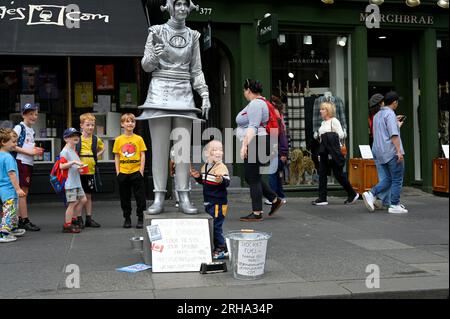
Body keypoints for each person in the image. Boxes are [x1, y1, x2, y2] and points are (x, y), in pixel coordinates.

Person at [137, 0, 211, 215]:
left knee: (182, 150)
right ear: (170, 6)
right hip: (160, 91)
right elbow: (147, 66)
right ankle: (159, 196)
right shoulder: (156, 31)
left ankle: (184, 194)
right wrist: (154, 55)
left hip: (184, 93)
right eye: (178, 4)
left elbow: (196, 70)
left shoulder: (194, 36)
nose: (182, 9)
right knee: (159, 149)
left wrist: (204, 94)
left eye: (186, 5)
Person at [237, 79, 284, 222]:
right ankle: (274, 199)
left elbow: (253, 127)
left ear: (248, 90)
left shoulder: (256, 104)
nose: (244, 94)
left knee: (252, 177)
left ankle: (257, 212)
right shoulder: (261, 102)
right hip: (260, 141)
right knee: (251, 176)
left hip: (257, 141)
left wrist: (244, 145)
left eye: (245, 91)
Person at [363, 92, 408, 214]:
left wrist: (396, 124)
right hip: (390, 151)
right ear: (394, 103)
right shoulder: (390, 114)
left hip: (379, 151)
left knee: (388, 178)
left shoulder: (377, 115)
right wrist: (399, 151)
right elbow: (393, 135)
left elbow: (382, 132)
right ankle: (394, 204)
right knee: (397, 178)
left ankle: (372, 194)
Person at [312, 101, 359, 206]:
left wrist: (330, 136)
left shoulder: (334, 121)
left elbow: (341, 135)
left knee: (338, 175)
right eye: (321, 109)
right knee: (322, 174)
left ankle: (352, 193)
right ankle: (322, 198)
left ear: (328, 111)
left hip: (333, 152)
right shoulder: (323, 123)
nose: (320, 111)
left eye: (323, 109)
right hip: (324, 152)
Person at [191, 140, 230, 259]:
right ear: (207, 153)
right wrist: (198, 177)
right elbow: (205, 181)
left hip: (218, 202)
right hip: (209, 200)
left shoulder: (221, 167)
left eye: (220, 149)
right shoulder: (206, 166)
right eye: (214, 150)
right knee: (212, 224)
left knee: (216, 226)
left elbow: (226, 181)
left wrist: (222, 180)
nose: (218, 152)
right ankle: (218, 246)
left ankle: (222, 248)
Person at [113, 114, 147, 229]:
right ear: (122, 124)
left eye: (132, 121)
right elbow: (117, 156)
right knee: (124, 197)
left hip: (136, 172)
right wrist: (118, 171)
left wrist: (141, 170)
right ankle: (127, 218)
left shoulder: (139, 139)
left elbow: (142, 154)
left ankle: (140, 218)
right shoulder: (118, 140)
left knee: (140, 197)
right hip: (123, 173)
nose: (130, 124)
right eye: (127, 121)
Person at [14, 103, 43, 232]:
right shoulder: (19, 127)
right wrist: (30, 152)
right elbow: (11, 144)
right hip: (21, 161)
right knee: (22, 192)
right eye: (30, 114)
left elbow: (26, 146)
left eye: (35, 114)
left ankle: (19, 219)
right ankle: (24, 220)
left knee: (24, 192)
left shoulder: (31, 130)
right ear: (23, 114)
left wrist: (35, 150)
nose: (33, 116)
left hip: (28, 162)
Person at [75, 113, 104, 228]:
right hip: (79, 171)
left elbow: (103, 148)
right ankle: (78, 218)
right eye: (87, 125)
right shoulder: (78, 139)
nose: (90, 127)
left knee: (88, 195)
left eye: (92, 125)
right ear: (81, 125)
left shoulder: (96, 139)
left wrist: (96, 155)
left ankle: (88, 218)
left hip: (90, 171)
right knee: (79, 196)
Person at [59, 128, 88, 234]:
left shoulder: (73, 150)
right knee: (72, 203)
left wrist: (80, 168)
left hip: (76, 181)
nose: (76, 137)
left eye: (77, 135)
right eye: (72, 136)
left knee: (83, 199)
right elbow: (61, 166)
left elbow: (74, 165)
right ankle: (67, 224)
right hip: (70, 182)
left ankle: (74, 219)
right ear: (66, 139)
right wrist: (74, 162)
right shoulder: (65, 151)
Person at [0, 128, 26, 243]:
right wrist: (18, 189)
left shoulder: (1, 155)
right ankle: (3, 233)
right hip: (10, 188)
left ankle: (12, 228)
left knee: (12, 208)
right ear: (4, 142)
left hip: (3, 188)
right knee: (9, 210)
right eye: (13, 142)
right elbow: (11, 174)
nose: (16, 144)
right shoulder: (8, 157)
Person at [265, 95, 289, 205]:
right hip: (277, 152)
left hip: (278, 152)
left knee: (272, 174)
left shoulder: (277, 123)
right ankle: (281, 196)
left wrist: (283, 153)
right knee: (277, 175)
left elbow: (282, 138)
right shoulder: (277, 122)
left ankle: (273, 197)